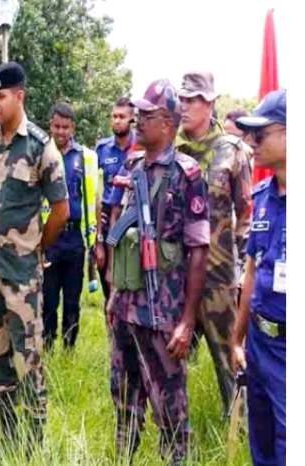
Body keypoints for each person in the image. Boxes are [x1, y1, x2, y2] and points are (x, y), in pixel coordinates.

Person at [106, 79, 209, 464]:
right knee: (124, 396)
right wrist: (114, 293)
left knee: (169, 404)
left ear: (167, 123)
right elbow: (119, 231)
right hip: (126, 306)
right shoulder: (132, 166)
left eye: (146, 115)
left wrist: (187, 321)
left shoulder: (187, 174)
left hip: (163, 311)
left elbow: (199, 250)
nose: (137, 121)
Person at [0, 62, 69, 449]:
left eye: (1, 97)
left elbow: (61, 211)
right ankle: (8, 437)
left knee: (28, 359)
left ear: (20, 96)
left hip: (22, 277)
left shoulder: (40, 147)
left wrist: (36, 248)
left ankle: (33, 445)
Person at [174, 71, 252, 416]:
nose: (186, 106)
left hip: (219, 277)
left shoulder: (232, 152)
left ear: (211, 103)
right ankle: (175, 430)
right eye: (183, 99)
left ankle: (238, 428)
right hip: (175, 275)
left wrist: (241, 271)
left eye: (194, 100)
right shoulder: (170, 151)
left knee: (228, 360)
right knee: (170, 358)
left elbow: (245, 213)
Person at [230, 89, 287, 466]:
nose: (250, 143)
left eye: (260, 134)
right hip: (260, 345)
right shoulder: (264, 195)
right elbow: (251, 269)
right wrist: (238, 339)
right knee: (262, 443)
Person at [42, 102, 98, 351]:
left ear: (73, 127)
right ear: (50, 126)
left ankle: (68, 349)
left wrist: (93, 242)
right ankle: (47, 345)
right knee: (48, 299)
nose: (61, 131)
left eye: (65, 127)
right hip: (50, 238)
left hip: (76, 240)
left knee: (73, 300)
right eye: (56, 126)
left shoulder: (86, 157)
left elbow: (93, 200)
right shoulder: (41, 153)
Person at [94, 97, 139, 307]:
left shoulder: (140, 148)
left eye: (122, 117)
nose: (117, 121)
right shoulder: (101, 150)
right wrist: (98, 240)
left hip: (133, 223)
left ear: (132, 120)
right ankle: (111, 333)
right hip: (107, 221)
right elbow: (95, 190)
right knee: (109, 284)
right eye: (114, 116)